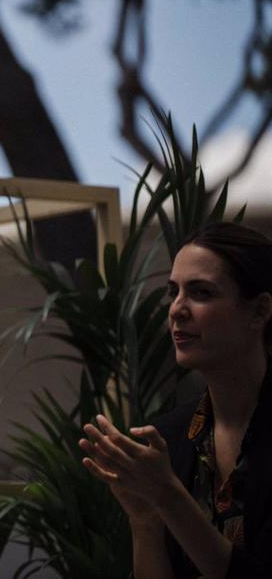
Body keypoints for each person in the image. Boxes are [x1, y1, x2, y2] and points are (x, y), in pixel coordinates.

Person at [80, 221, 272, 578]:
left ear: (259, 311)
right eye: (174, 292)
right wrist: (145, 520)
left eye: (201, 293)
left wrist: (169, 498)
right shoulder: (171, 437)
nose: (176, 310)